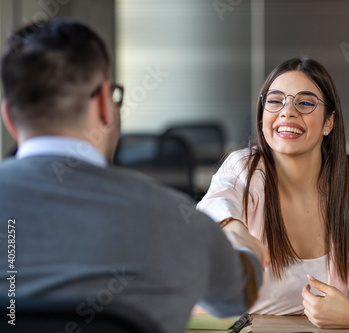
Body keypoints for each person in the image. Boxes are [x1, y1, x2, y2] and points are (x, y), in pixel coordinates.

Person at [0, 19, 264, 332]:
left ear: (9, 118)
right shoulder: (174, 219)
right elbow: (239, 294)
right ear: (104, 104)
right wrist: (247, 246)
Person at [197, 57, 349, 329]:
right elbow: (213, 207)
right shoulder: (244, 168)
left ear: (328, 123)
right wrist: (234, 231)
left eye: (306, 102)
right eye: (276, 101)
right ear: (263, 115)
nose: (288, 111)